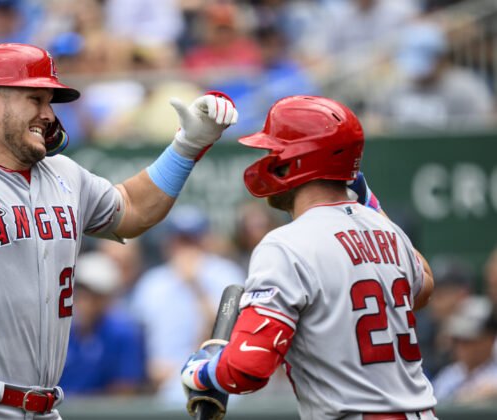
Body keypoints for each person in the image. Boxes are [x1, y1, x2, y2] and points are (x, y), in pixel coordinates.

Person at [0, 42, 237, 419]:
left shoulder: (64, 174)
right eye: (35, 99)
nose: (49, 114)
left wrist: (188, 146)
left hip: (44, 408)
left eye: (49, 102)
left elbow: (133, 209)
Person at [180, 95, 437, 419]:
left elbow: (248, 368)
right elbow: (424, 286)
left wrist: (202, 371)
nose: (267, 161)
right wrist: (369, 202)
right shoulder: (389, 230)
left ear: (299, 160)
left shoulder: (286, 244)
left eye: (274, 153)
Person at [130, 205, 245, 404]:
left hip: (219, 379)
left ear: (205, 241)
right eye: (180, 240)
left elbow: (229, 334)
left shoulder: (226, 274)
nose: (186, 248)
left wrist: (195, 285)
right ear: (168, 243)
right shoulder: (152, 282)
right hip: (166, 386)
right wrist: (149, 372)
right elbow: (137, 342)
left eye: (192, 240)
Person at [59, 251, 145, 395]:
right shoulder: (62, 330)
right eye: (80, 293)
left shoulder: (123, 333)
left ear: (106, 298)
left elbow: (123, 393)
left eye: (93, 295)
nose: (85, 302)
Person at [431, 296, 497, 404]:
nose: (460, 347)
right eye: (457, 340)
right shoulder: (448, 376)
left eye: (468, 341)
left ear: (490, 339)